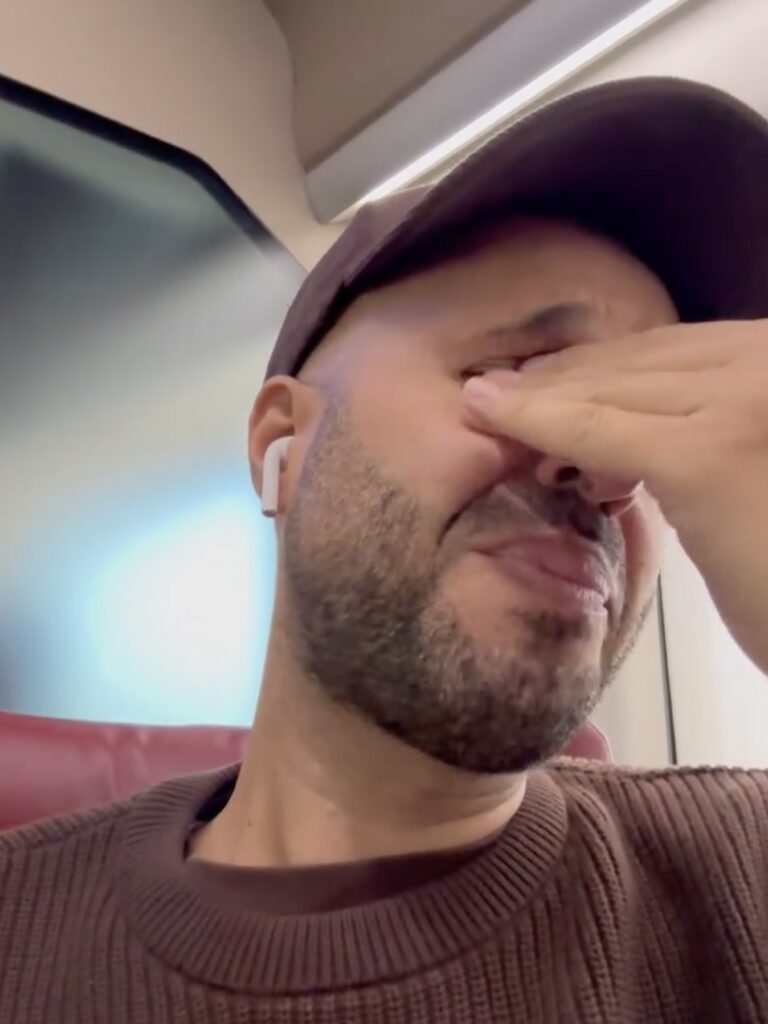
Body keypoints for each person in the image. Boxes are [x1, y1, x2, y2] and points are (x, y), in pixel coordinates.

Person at [1, 77, 767, 1024]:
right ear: (284, 446)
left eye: (655, 415)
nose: (606, 466)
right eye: (529, 374)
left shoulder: (744, 872)